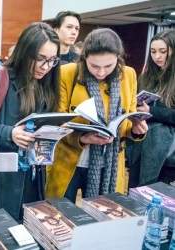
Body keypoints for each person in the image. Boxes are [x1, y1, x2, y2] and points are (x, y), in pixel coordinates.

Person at [46, 28, 148, 202]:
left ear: (118, 58)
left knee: (101, 216)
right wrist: (83, 138)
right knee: (57, 214)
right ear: (84, 58)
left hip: (109, 164)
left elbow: (128, 119)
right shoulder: (67, 73)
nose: (101, 72)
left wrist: (136, 130)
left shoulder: (128, 75)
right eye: (94, 66)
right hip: (70, 158)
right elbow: (56, 121)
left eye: (108, 66)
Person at [0, 22, 60, 220]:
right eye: (40, 59)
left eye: (52, 60)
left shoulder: (46, 83)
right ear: (24, 52)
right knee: (1, 229)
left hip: (34, 175)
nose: (46, 67)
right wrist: (9, 133)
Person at [127, 29, 175, 187]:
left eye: (163, 51)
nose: (157, 57)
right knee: (135, 192)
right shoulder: (147, 76)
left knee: (155, 194)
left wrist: (151, 111)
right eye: (153, 51)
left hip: (166, 153)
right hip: (141, 144)